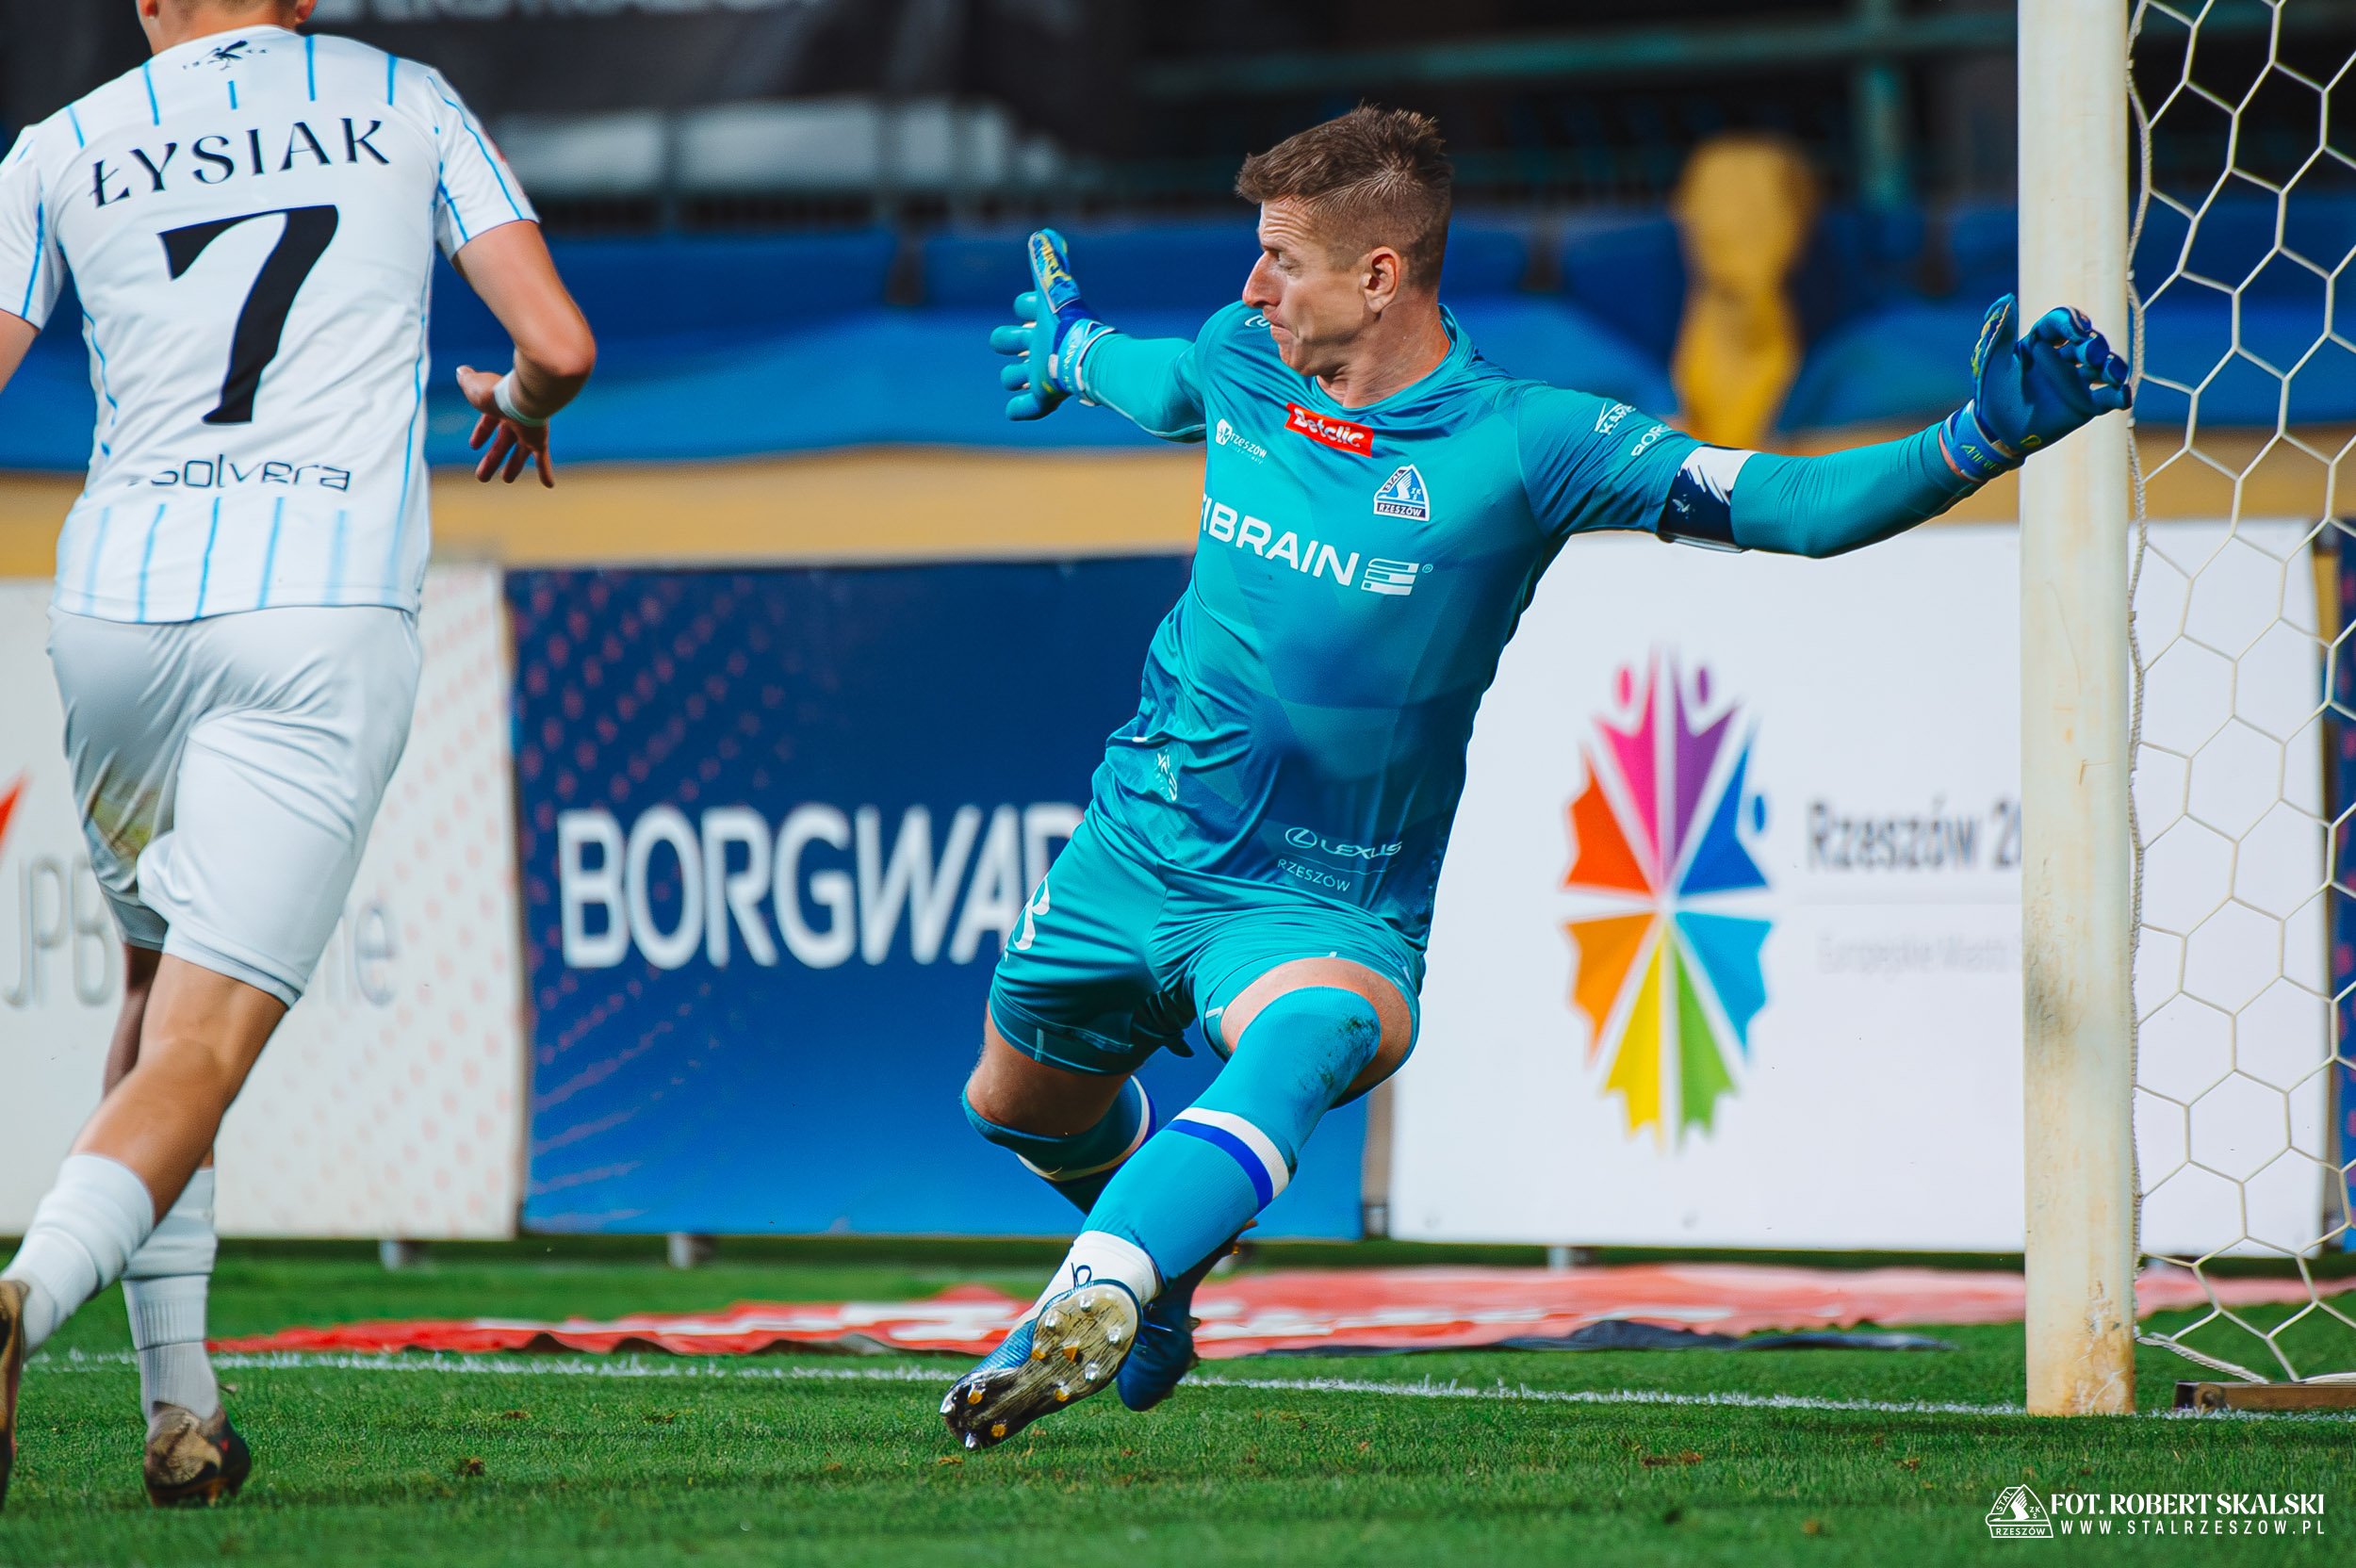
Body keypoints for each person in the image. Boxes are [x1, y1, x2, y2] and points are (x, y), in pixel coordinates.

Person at [945, 105, 2128, 1450]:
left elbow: (1792, 510)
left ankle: (1099, 1288)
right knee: (1011, 1105)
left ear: (1379, 275)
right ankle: (1162, 1280)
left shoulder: (1529, 443)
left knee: (1315, 1037)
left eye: (1282, 260)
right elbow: (1161, 382)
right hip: (1137, 846)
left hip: (1324, 901)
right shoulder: (1241, 358)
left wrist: (1978, 437)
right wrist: (1070, 352)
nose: (1253, 286)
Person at [0, 0, 594, 1508]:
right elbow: (557, 344)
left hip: (115, 614)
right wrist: (518, 404)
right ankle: (24, 1299)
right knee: (201, 1046)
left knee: (153, 994)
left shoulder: (58, 146)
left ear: (148, 2)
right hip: (316, 608)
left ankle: (181, 1414)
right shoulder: (406, 99)